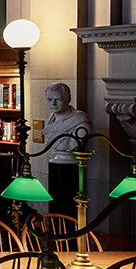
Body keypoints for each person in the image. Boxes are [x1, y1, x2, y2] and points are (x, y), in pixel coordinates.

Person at [28, 82, 91, 218]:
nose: (53, 104)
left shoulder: (80, 123)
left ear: (67, 99)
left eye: (58, 99)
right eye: (50, 100)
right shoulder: (51, 121)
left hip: (69, 167)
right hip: (57, 164)